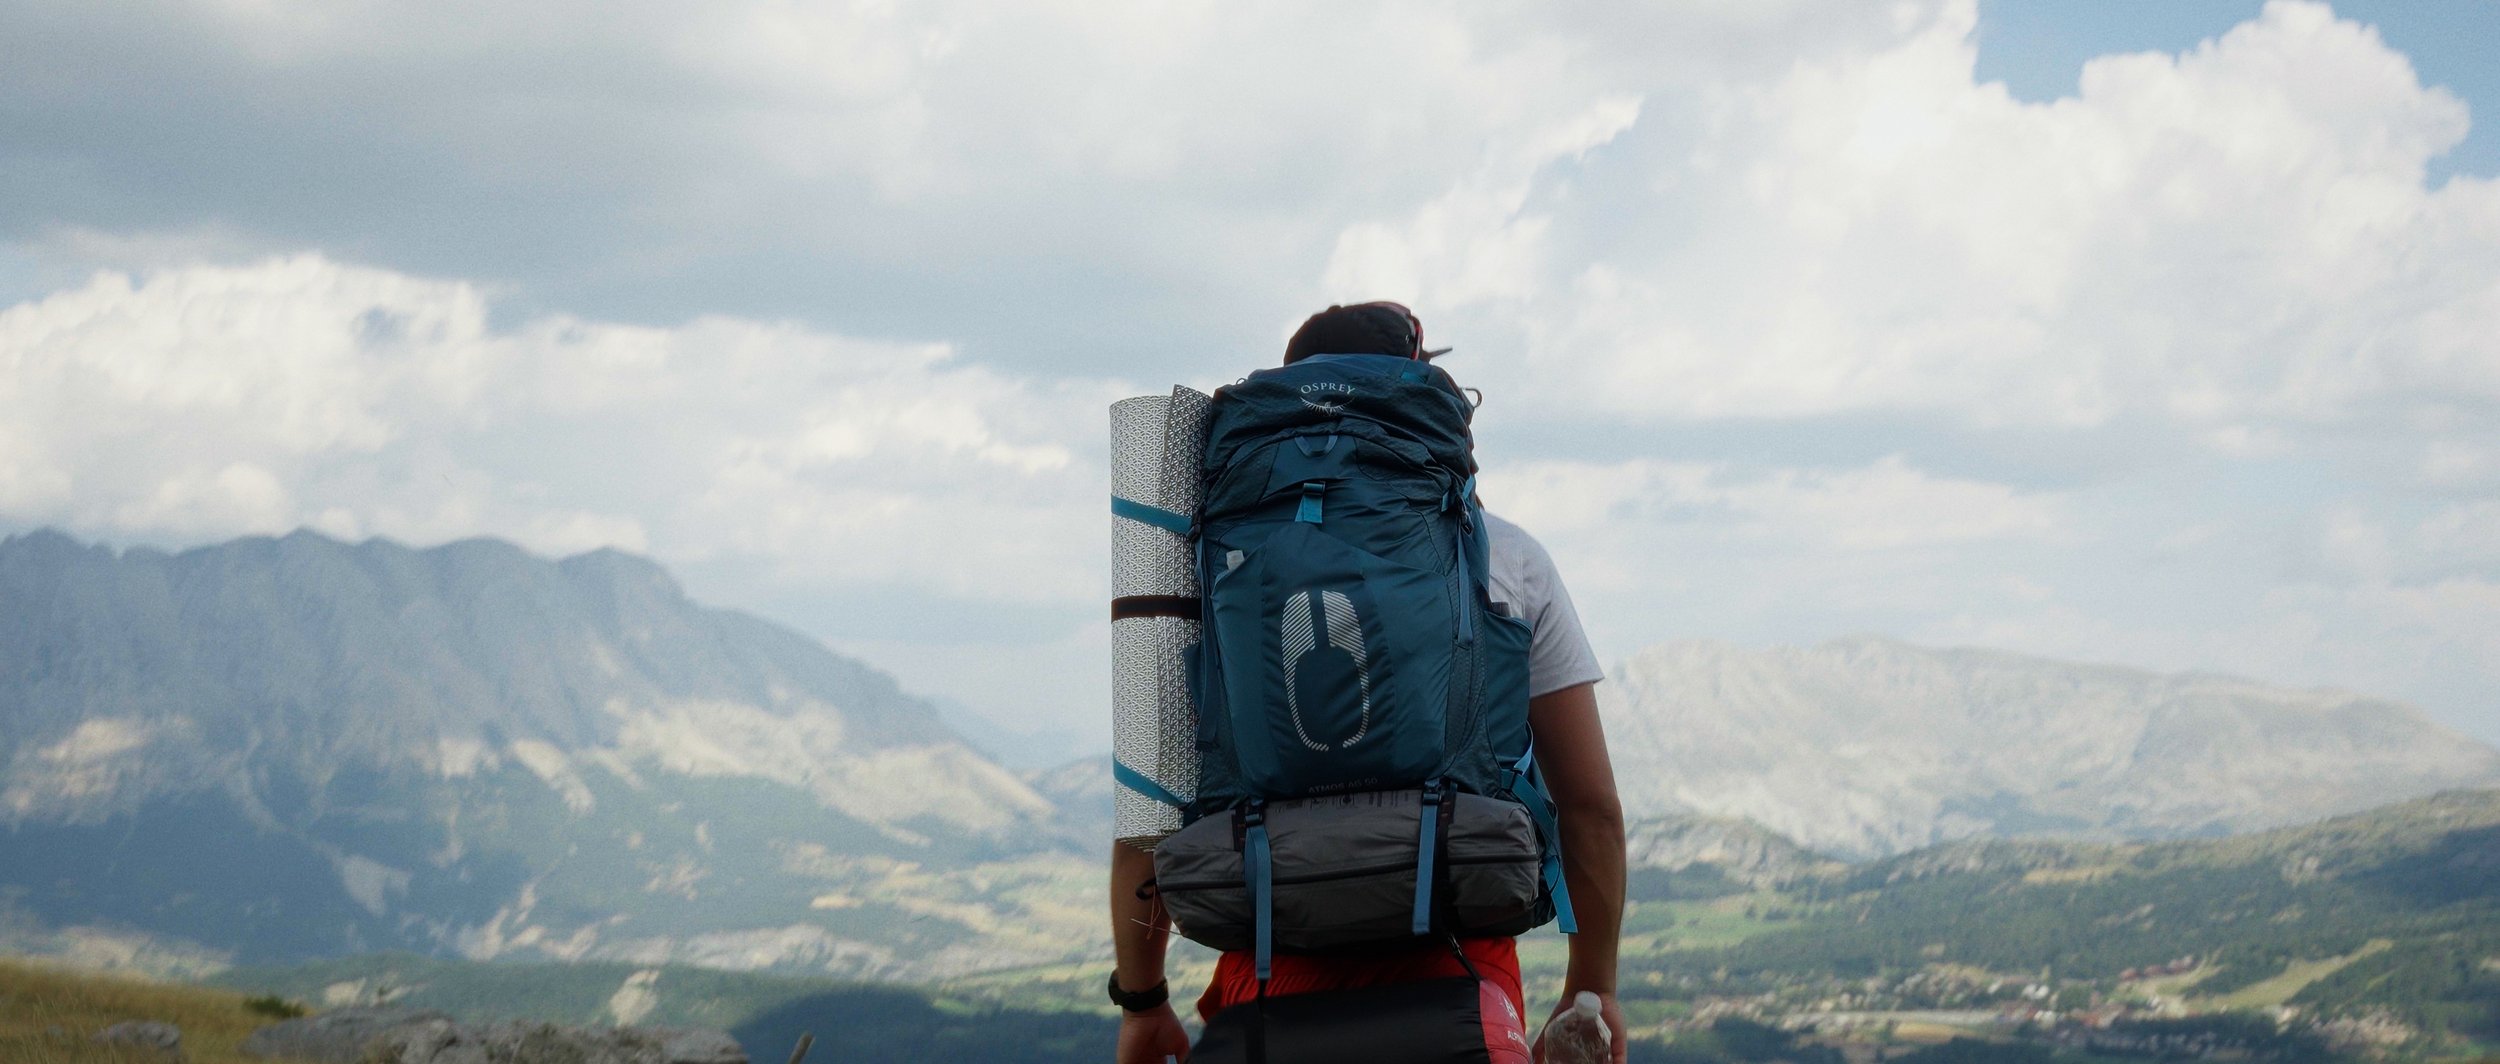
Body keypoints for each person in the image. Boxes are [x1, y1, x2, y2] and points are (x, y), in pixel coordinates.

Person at [1108, 303, 1629, 1064]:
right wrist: (1592, 987)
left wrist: (1143, 1004)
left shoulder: (1202, 575)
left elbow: (1144, 824)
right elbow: (1590, 811)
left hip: (1263, 1003)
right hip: (1463, 994)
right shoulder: (1507, 561)